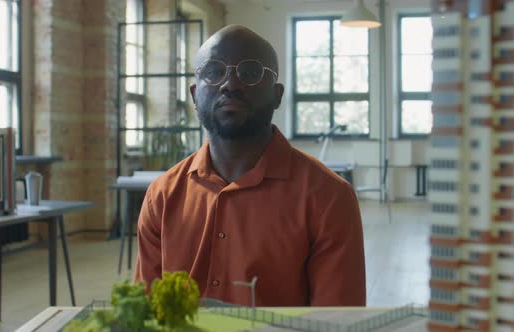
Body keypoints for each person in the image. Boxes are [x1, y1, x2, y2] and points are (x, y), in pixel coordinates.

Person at [134, 24, 366, 306]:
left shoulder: (328, 198)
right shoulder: (162, 196)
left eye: (251, 72)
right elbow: (145, 313)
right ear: (195, 95)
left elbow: (336, 321)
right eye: (214, 72)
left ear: (277, 95)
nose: (230, 84)